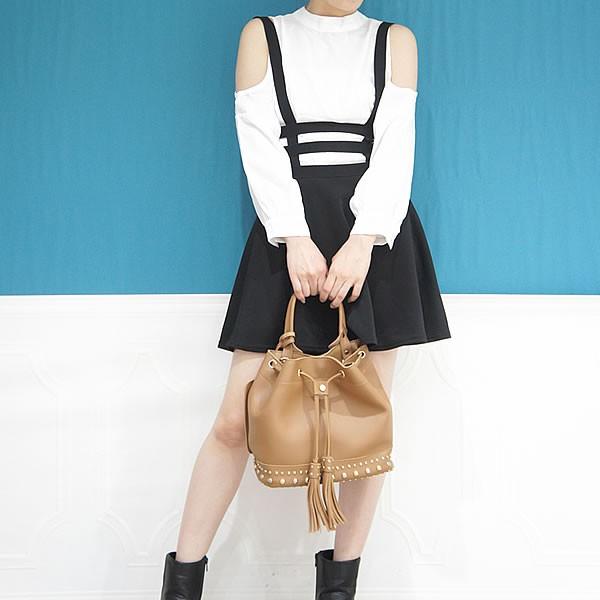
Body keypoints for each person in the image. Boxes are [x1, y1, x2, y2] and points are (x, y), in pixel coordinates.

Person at [160, 1, 451, 598]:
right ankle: (182, 587)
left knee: (366, 428)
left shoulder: (395, 41)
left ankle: (338, 588)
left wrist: (364, 240)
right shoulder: (263, 35)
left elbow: (396, 145)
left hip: (376, 240)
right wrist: (294, 235)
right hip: (285, 237)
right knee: (234, 422)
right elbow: (258, 139)